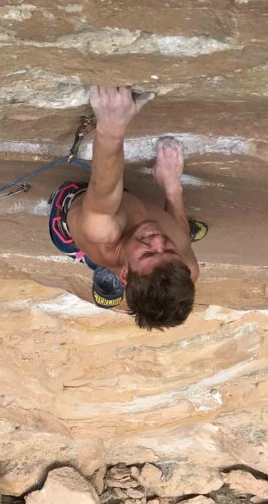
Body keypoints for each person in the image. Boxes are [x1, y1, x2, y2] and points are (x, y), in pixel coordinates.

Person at [49, 85, 202, 329]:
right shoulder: (187, 269)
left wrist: (111, 126)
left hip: (73, 213)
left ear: (125, 273)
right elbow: (181, 237)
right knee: (179, 238)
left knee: (108, 201)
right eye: (169, 251)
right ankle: (169, 193)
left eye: (148, 254)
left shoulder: (102, 232)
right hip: (126, 216)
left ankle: (99, 272)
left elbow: (104, 188)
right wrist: (172, 188)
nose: (158, 240)